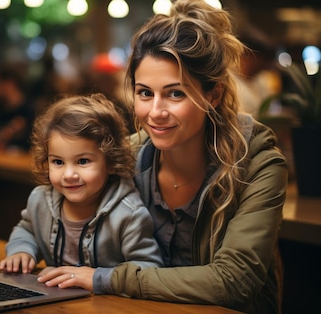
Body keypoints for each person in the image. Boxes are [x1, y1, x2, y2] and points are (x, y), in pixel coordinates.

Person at [37, 1, 288, 313]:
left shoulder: (259, 165)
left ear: (213, 95)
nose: (155, 112)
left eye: (175, 93)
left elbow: (234, 280)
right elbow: (54, 206)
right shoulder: (126, 154)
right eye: (145, 93)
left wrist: (111, 278)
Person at [0, 93, 162, 294]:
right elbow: (27, 230)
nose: (69, 174)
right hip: (52, 302)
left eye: (82, 161)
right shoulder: (40, 200)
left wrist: (100, 279)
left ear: (110, 162)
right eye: (58, 162)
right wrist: (21, 251)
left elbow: (148, 268)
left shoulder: (129, 215)